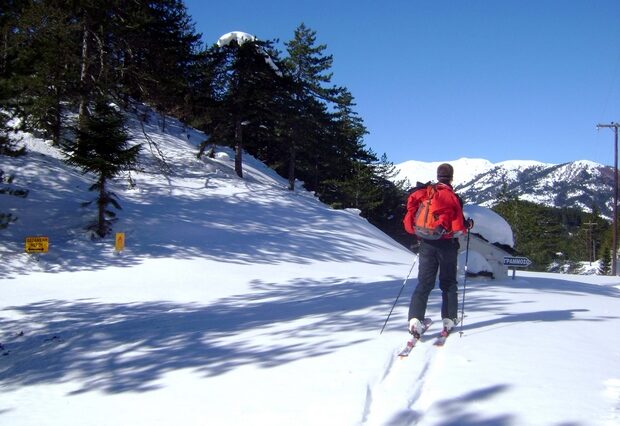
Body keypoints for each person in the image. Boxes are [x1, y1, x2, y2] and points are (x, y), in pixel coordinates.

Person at [403, 163, 473, 337]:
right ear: (451, 177)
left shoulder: (425, 193)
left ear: (437, 176)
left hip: (426, 243)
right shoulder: (452, 196)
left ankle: (414, 319)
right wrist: (468, 225)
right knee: (448, 282)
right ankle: (449, 319)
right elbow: (458, 226)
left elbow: (412, 216)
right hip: (447, 245)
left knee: (424, 282)